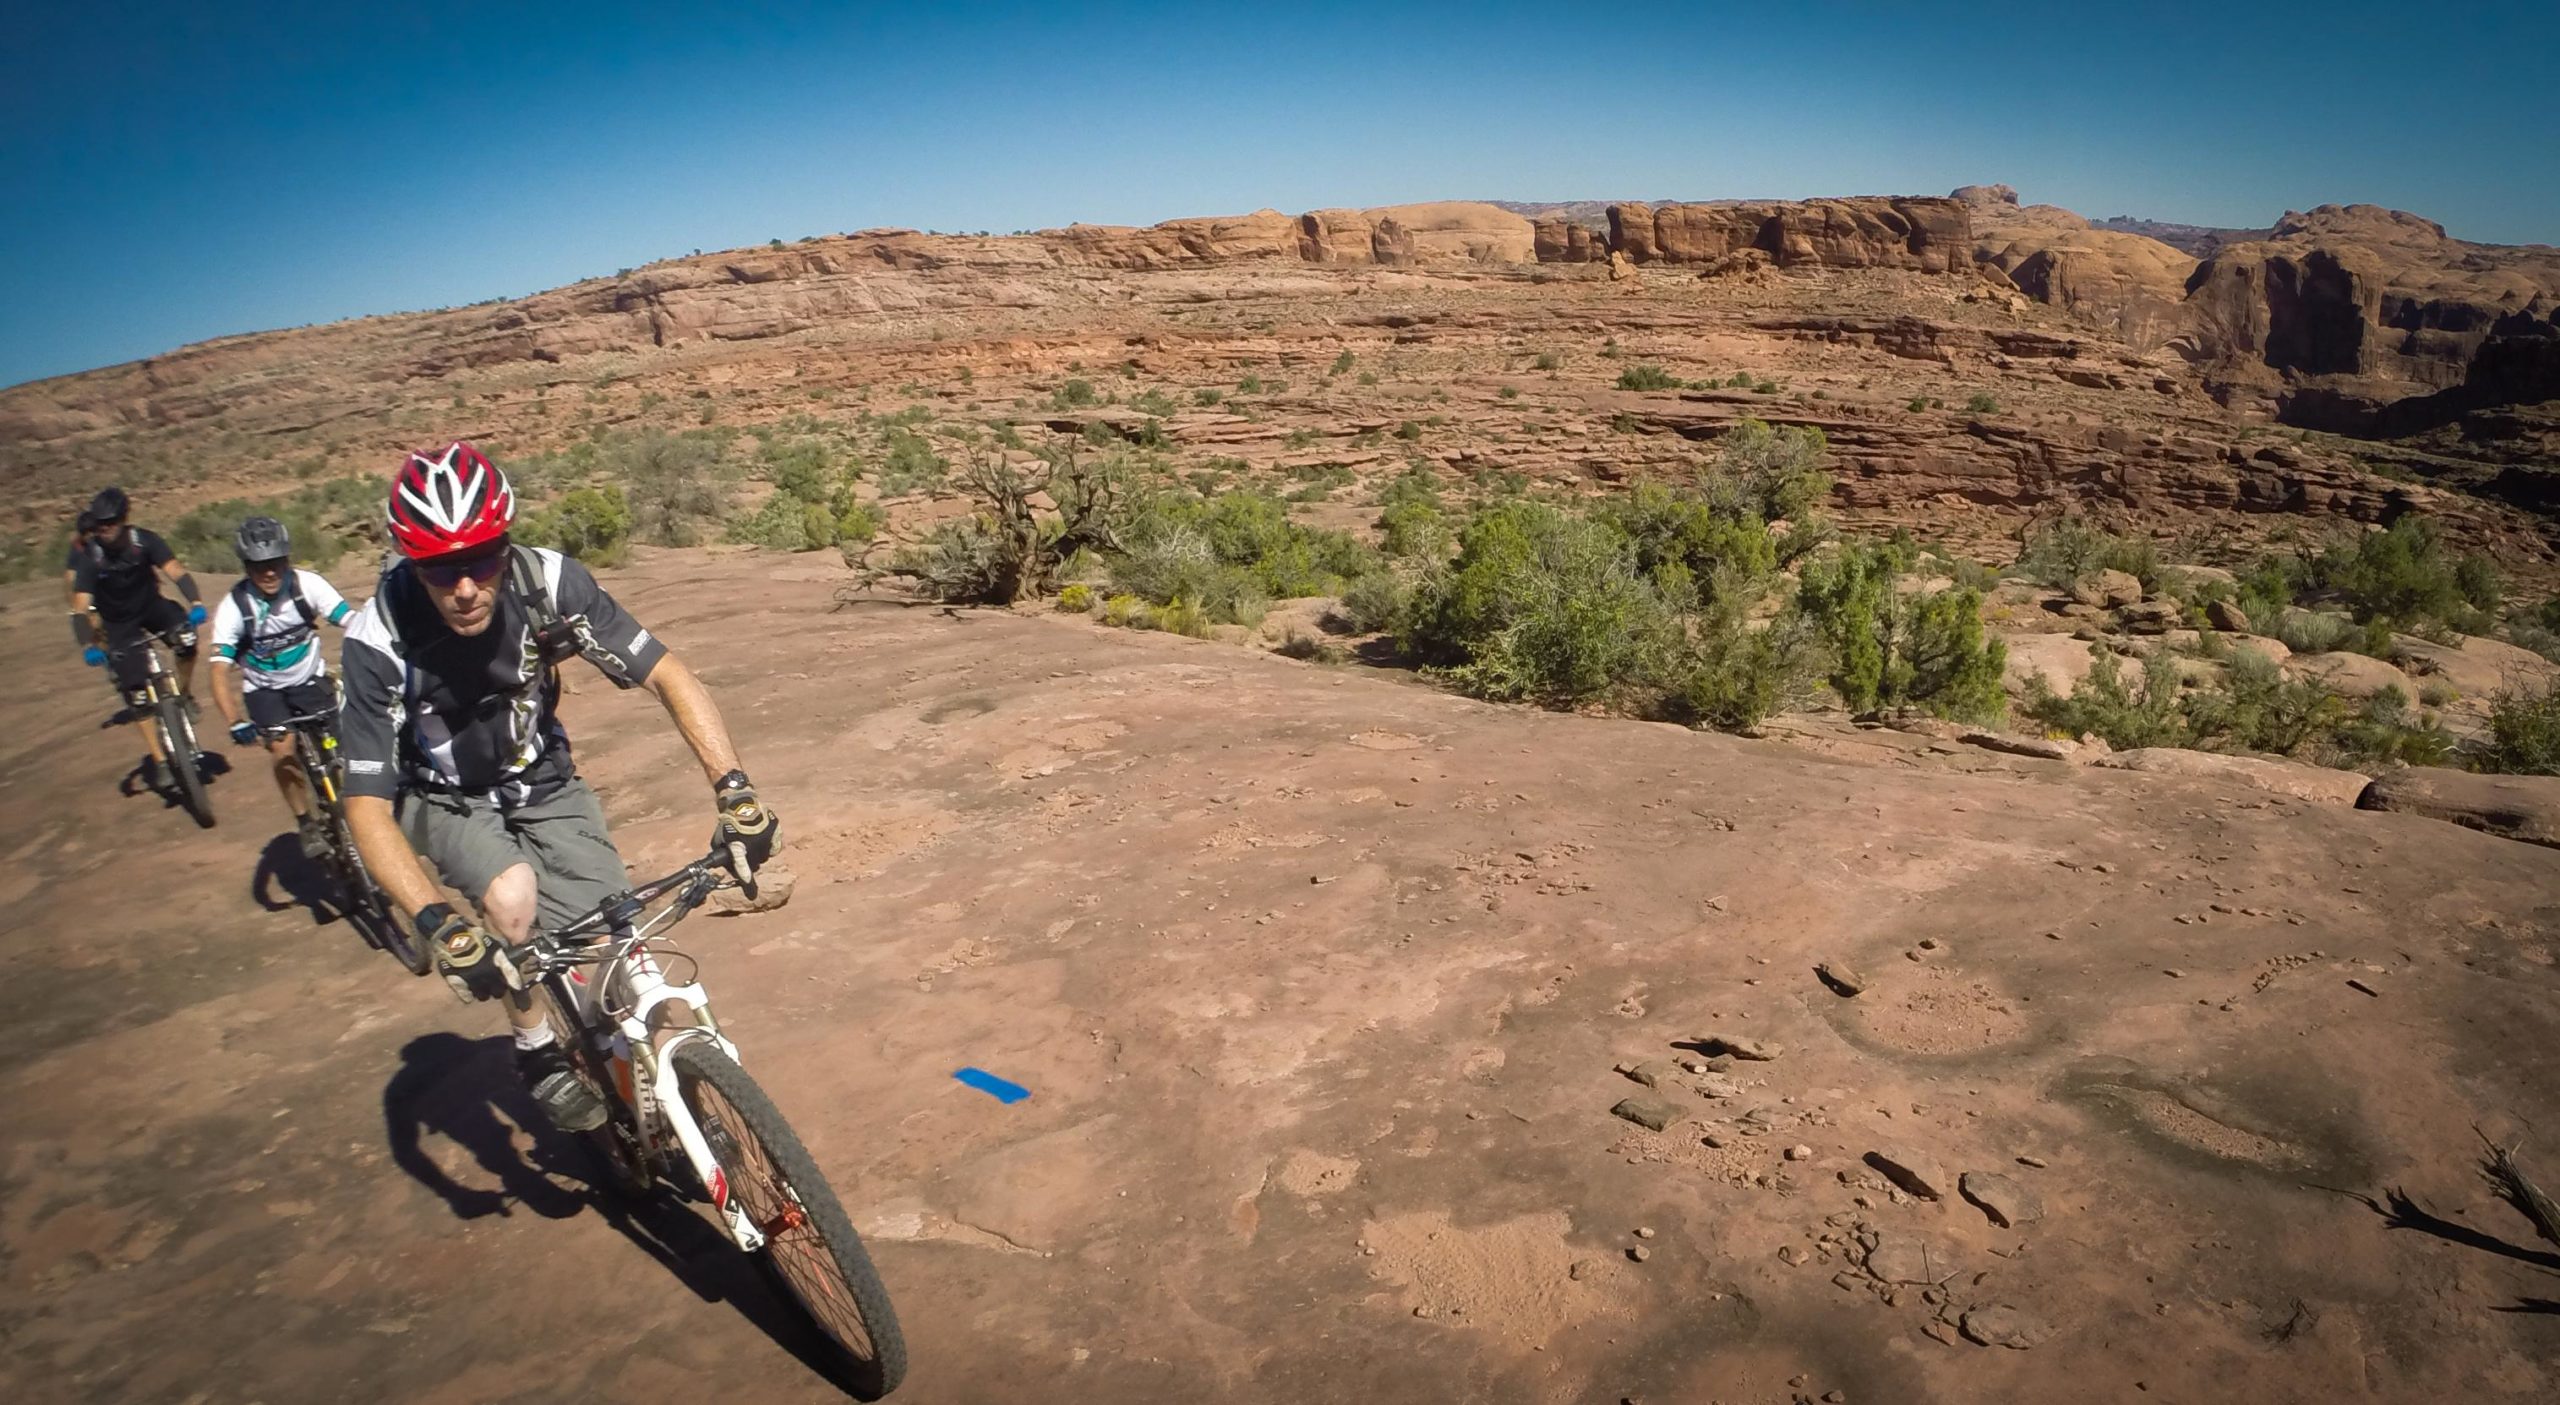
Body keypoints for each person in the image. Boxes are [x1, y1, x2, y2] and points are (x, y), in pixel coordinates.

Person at [338, 442, 778, 1131]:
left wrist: (735, 791)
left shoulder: (549, 584)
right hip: (439, 793)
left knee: (617, 935)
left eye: (481, 559)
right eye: (439, 566)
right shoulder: (378, 637)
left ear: (506, 544)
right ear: (409, 560)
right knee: (512, 899)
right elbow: (364, 805)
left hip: (542, 776)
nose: (463, 586)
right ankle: (536, 1046)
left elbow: (667, 673)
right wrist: (436, 922)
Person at [207, 516, 358, 859]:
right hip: (264, 692)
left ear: (287, 560)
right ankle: (305, 821)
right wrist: (234, 720)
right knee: (283, 751)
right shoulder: (235, 608)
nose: (269, 572)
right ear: (247, 567)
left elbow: (349, 620)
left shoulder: (308, 586)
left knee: (347, 752)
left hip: (309, 680)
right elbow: (218, 671)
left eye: (275, 563)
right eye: (259, 566)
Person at [69, 486, 208, 789]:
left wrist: (195, 603)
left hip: (152, 608)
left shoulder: (144, 541)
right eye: (98, 525)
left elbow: (176, 571)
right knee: (136, 692)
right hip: (119, 625)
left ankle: (183, 694)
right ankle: (160, 760)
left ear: (123, 519)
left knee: (186, 639)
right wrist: (88, 644)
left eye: (109, 524)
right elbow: (79, 608)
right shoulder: (91, 558)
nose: (103, 530)